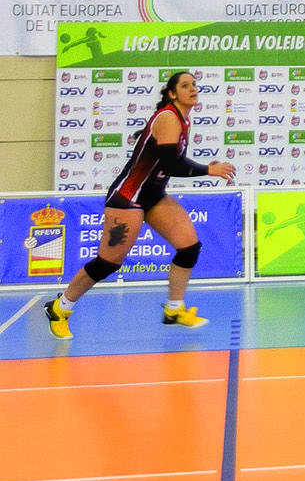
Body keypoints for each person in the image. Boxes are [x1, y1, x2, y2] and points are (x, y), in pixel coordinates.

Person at [43, 71, 237, 338]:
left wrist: (205, 168)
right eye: (185, 85)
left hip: (153, 195)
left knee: (189, 247)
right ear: (172, 94)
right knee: (108, 263)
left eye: (194, 84)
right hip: (128, 198)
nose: (193, 88)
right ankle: (59, 307)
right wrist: (207, 170)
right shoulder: (168, 117)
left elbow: (170, 161)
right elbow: (171, 165)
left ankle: (174, 308)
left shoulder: (182, 120)